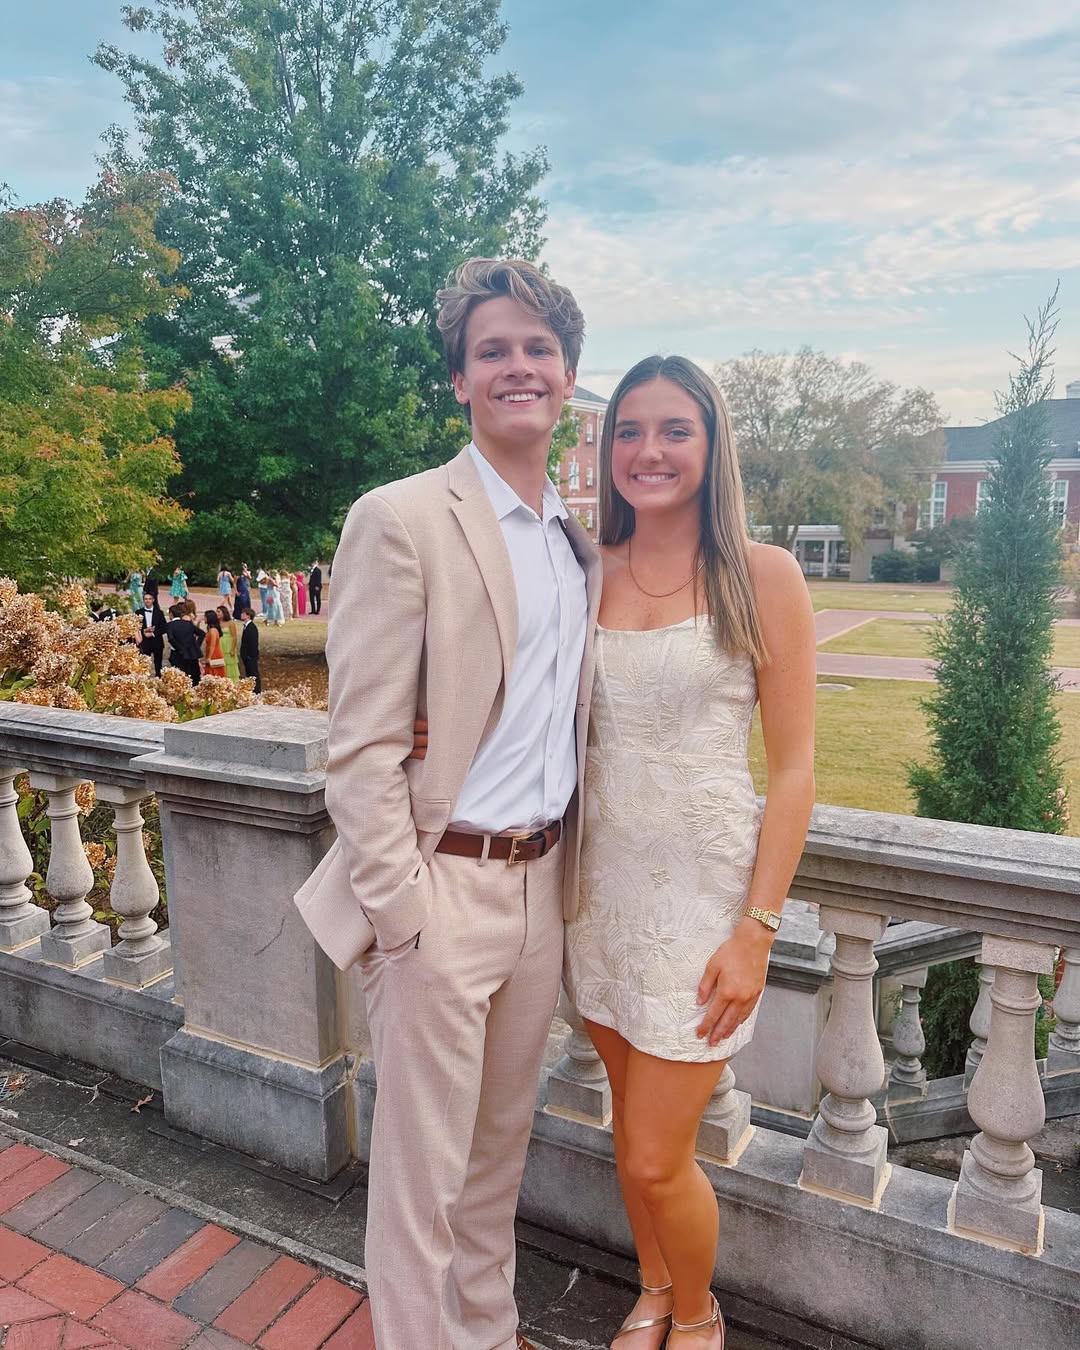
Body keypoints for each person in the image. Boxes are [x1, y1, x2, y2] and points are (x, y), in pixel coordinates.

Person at [294, 257, 599, 1350]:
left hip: (540, 891)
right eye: (492, 351)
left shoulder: (573, 540)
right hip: (440, 891)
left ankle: (488, 1332)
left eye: (537, 349)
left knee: (494, 1165)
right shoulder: (402, 517)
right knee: (421, 1187)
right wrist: (402, 914)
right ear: (460, 381)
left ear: (568, 376)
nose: (519, 367)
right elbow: (361, 746)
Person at [561, 357, 816, 1348]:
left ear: (712, 445)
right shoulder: (587, 569)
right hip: (598, 895)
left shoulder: (762, 574)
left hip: (701, 907)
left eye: (675, 430)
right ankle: (654, 1289)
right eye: (628, 430)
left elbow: (792, 772)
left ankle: (702, 1313)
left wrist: (757, 930)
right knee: (629, 1131)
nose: (648, 451)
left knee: (659, 1157)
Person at [165, 602, 203, 686]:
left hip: (178, 654)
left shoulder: (170, 625)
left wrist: (179, 648)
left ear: (171, 614)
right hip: (191, 653)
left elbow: (171, 638)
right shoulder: (188, 623)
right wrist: (196, 645)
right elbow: (202, 634)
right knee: (193, 675)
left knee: (180, 677)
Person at [138, 590, 167, 677]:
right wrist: (144, 631)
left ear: (153, 600)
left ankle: (158, 678)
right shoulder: (138, 612)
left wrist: (153, 633)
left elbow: (164, 627)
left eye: (150, 599)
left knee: (158, 663)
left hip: (157, 641)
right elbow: (135, 628)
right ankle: (144, 679)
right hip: (144, 641)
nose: (148, 601)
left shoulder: (159, 612)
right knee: (144, 663)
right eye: (146, 599)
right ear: (143, 600)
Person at [239, 607, 261, 692]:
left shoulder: (251, 627)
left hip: (250, 656)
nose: (241, 615)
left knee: (253, 673)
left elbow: (253, 643)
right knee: (249, 673)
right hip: (247, 656)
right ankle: (252, 689)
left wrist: (249, 656)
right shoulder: (247, 627)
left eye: (243, 613)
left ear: (248, 616)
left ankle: (256, 690)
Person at [216, 604, 241, 680]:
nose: (217, 613)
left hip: (228, 647)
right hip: (219, 646)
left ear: (224, 613)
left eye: (218, 612)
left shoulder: (230, 623)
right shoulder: (216, 623)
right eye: (216, 612)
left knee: (229, 664)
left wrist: (233, 649)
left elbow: (234, 637)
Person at [201, 610, 227, 677]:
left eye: (205, 617)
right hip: (211, 653)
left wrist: (209, 658)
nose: (204, 618)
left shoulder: (213, 630)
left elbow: (212, 645)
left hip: (214, 655)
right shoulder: (211, 629)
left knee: (214, 674)